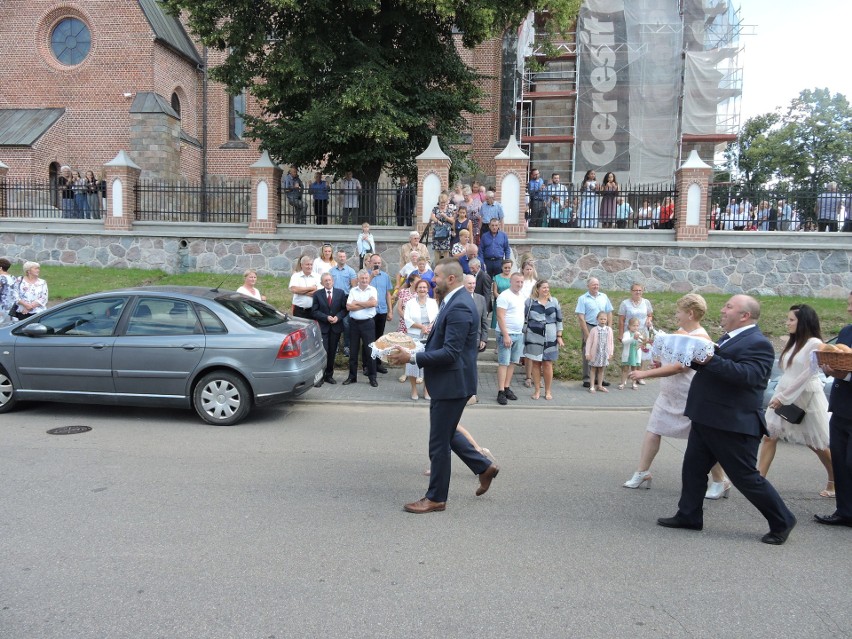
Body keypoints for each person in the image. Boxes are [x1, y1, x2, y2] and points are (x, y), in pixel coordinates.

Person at [657, 295, 797, 545]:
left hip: (731, 423)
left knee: (745, 477)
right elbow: (716, 368)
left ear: (744, 315)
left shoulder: (758, 343)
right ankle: (689, 516)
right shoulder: (730, 338)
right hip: (708, 418)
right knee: (693, 469)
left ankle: (783, 519)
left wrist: (710, 359)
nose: (722, 310)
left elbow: (749, 377)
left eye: (729, 307)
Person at [387, 260, 499, 513]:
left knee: (438, 442)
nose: (431, 279)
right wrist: (415, 348)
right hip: (449, 381)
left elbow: (450, 353)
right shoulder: (452, 301)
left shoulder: (459, 306)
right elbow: (442, 342)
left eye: (435, 275)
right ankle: (483, 467)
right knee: (447, 434)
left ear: (450, 279)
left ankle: (436, 497)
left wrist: (412, 358)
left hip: (452, 383)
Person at [624, 294, 726, 494]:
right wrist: (657, 360)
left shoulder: (701, 339)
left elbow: (680, 367)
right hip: (668, 395)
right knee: (653, 429)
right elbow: (671, 356)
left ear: (690, 313)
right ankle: (642, 471)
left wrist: (645, 373)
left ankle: (720, 480)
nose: (676, 315)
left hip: (689, 396)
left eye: (679, 311)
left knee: (703, 439)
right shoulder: (681, 332)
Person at [759, 304, 833, 496]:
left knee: (816, 443)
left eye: (791, 320)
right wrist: (781, 395)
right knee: (769, 435)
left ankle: (835, 479)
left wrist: (783, 397)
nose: (787, 323)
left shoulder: (815, 344)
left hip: (805, 396)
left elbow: (808, 374)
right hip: (785, 391)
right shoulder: (794, 342)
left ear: (803, 322)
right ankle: (759, 481)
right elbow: (789, 370)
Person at [815, 291, 852, 527]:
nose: (849, 309)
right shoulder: (847, 331)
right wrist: (830, 370)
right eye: (849, 305)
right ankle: (845, 512)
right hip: (841, 407)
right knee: (839, 460)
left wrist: (846, 374)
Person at [523, 280, 564, 401]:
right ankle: (536, 390)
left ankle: (548, 391)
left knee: (547, 363)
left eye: (548, 287)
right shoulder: (529, 302)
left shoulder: (554, 301)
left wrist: (559, 336)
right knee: (535, 363)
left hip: (550, 336)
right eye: (544, 287)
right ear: (538, 289)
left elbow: (559, 320)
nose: (546, 290)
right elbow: (525, 318)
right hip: (534, 337)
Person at [403, 279, 439, 400]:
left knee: (429, 364)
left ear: (428, 289)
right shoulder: (410, 303)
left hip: (430, 337)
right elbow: (407, 319)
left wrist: (429, 327)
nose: (422, 289)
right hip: (414, 337)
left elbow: (437, 318)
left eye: (424, 287)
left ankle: (427, 390)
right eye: (420, 287)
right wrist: (422, 327)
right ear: (416, 289)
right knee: (413, 363)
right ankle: (413, 389)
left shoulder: (433, 302)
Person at [311, 273, 348, 387]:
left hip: (335, 327)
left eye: (329, 280)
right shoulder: (317, 294)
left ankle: (329, 375)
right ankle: (320, 377)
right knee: (323, 352)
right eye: (325, 280)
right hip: (323, 328)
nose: (328, 282)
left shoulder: (340, 293)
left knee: (332, 352)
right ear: (322, 283)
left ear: (333, 281)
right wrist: (326, 317)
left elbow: (344, 309)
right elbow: (314, 311)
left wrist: (338, 317)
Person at [576, 277, 613, 388]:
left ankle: (600, 379)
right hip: (590, 326)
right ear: (588, 286)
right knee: (588, 352)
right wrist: (587, 334)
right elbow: (581, 317)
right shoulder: (583, 298)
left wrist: (609, 328)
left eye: (597, 284)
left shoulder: (604, 297)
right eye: (593, 285)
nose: (596, 286)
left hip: (603, 327)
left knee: (603, 350)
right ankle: (587, 378)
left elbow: (609, 312)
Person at [344, 270, 379, 387]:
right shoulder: (353, 290)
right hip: (354, 324)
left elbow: (373, 303)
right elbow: (349, 307)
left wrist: (357, 303)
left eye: (366, 278)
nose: (364, 280)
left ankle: (372, 377)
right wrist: (366, 303)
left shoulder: (372, 290)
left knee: (370, 352)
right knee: (353, 352)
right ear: (358, 279)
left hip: (368, 324)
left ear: (368, 279)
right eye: (362, 278)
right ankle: (352, 377)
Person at [495, 272, 525, 406]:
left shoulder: (522, 296)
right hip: (505, 334)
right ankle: (500, 391)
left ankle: (507, 387)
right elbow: (500, 317)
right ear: (511, 282)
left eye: (521, 282)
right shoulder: (504, 296)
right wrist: (506, 335)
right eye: (517, 282)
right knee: (504, 363)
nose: (519, 284)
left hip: (518, 334)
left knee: (513, 362)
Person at [618, 283, 654, 374]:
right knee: (628, 354)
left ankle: (639, 375)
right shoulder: (625, 303)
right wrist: (621, 334)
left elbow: (650, 315)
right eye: (635, 290)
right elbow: (621, 320)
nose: (638, 292)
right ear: (631, 291)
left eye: (640, 290)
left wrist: (649, 320)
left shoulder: (646, 302)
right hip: (629, 333)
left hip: (643, 332)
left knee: (641, 355)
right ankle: (625, 377)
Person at [367, 254, 393, 375]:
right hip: (369, 311)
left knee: (379, 338)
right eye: (374, 262)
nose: (377, 264)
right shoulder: (365, 275)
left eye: (379, 262)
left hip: (382, 310)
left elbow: (388, 294)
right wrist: (371, 275)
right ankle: (367, 365)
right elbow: (361, 288)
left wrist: (390, 310)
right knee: (368, 339)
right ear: (370, 263)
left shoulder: (386, 276)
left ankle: (377, 364)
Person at [330, 249, 357, 357]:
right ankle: (335, 346)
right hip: (334, 299)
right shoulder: (331, 271)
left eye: (343, 256)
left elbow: (354, 287)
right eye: (340, 256)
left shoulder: (350, 271)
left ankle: (347, 346)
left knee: (346, 323)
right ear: (337, 258)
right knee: (334, 322)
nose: (342, 258)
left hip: (346, 298)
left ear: (346, 258)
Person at [585, 310, 613, 393]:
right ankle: (592, 386)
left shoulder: (609, 330)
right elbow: (589, 342)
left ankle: (600, 385)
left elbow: (611, 342)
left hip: (604, 353)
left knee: (601, 369)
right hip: (595, 353)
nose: (603, 321)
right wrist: (587, 353)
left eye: (604, 319)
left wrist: (611, 353)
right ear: (597, 319)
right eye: (601, 319)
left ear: (607, 320)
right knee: (593, 369)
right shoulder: (594, 330)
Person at [464, 274, 489, 354]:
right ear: (463, 284)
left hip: (476, 339)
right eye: (469, 283)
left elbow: (484, 321)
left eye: (473, 283)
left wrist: (484, 339)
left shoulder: (481, 299)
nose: (472, 286)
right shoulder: (457, 298)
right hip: (461, 340)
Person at [619, 317, 643, 390]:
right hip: (628, 354)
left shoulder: (639, 334)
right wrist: (633, 338)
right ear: (629, 326)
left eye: (637, 325)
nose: (635, 327)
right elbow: (624, 341)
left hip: (635, 354)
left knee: (634, 370)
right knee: (625, 369)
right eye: (633, 325)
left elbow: (641, 342)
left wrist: (642, 341)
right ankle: (622, 383)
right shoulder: (626, 333)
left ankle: (634, 383)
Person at [429, 193, 454, 260]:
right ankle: (437, 267)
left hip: (446, 232)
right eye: (441, 202)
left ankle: (445, 268)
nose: (442, 204)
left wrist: (445, 216)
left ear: (446, 202)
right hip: (437, 232)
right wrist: (440, 223)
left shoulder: (449, 210)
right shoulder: (435, 209)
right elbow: (432, 217)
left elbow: (452, 220)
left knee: (446, 250)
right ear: (439, 202)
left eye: (444, 202)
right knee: (437, 250)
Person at [490, 259, 513, 330]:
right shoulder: (496, 277)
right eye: (505, 267)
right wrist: (502, 299)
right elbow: (494, 292)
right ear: (502, 267)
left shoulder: (513, 277)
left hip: (511, 302)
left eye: (509, 268)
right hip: (499, 301)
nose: (507, 269)